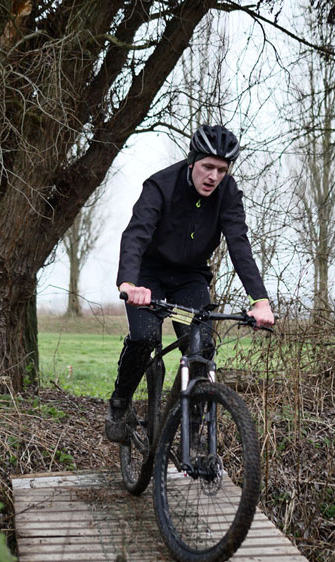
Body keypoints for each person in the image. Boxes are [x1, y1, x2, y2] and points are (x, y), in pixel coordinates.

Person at [105, 124, 275, 443]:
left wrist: (260, 300)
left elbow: (239, 245)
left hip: (189, 280)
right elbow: (136, 235)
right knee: (144, 337)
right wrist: (128, 283)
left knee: (201, 346)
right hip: (148, 278)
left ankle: (193, 436)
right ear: (192, 160)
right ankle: (119, 405)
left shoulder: (227, 193)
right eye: (207, 167)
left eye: (221, 170)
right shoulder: (160, 185)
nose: (213, 176)